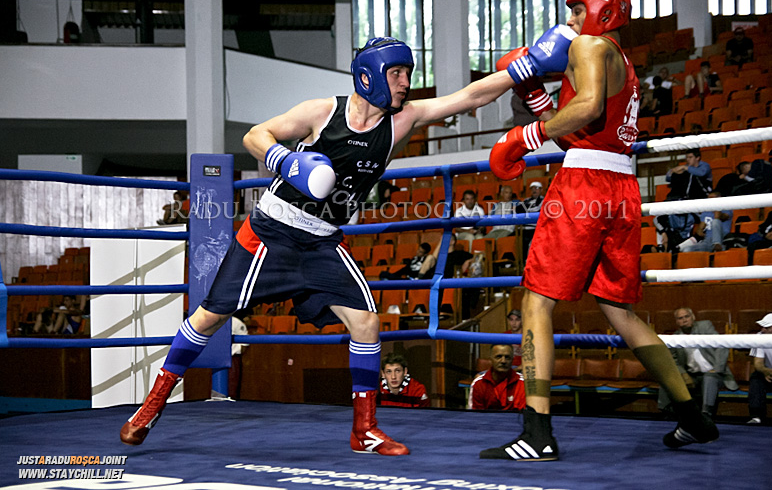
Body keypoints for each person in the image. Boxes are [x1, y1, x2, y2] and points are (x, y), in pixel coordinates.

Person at [120, 35, 522, 456]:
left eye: (408, 74)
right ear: (368, 77)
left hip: (323, 241)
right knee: (209, 317)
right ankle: (152, 406)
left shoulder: (403, 120)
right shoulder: (322, 112)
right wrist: (283, 160)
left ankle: (364, 430)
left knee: (366, 322)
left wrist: (522, 68)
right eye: (397, 74)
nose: (405, 83)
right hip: (271, 233)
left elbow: (471, 96)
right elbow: (257, 134)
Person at [483, 0, 719, 461]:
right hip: (621, 189)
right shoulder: (623, 61)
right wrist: (535, 101)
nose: (569, 19)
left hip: (584, 189)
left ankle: (537, 432)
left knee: (535, 302)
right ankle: (693, 417)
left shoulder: (589, 45)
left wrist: (522, 136)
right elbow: (586, 133)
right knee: (619, 311)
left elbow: (587, 108)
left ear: (600, 12)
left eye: (575, 9)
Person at [657, 307, 737, 418]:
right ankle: (666, 410)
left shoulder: (705, 326)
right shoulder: (675, 337)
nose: (684, 320)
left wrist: (717, 368)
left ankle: (706, 413)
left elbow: (721, 345)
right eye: (680, 318)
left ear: (693, 317)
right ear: (677, 322)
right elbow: (673, 360)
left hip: (714, 373)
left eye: (687, 316)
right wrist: (684, 374)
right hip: (692, 375)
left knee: (709, 377)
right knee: (669, 377)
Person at [468, 344, 526, 411]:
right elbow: (475, 415)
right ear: (491, 359)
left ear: (512, 360)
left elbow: (524, 415)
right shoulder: (478, 383)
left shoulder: (523, 383)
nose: (503, 361)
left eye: (507, 357)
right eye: (498, 357)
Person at [515, 181, 545, 256]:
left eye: (536, 188)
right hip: (523, 229)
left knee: (528, 243)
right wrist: (528, 210)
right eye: (532, 188)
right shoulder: (526, 200)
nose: (534, 190)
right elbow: (517, 209)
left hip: (535, 229)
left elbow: (537, 210)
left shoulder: (544, 200)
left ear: (541, 190)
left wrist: (526, 210)